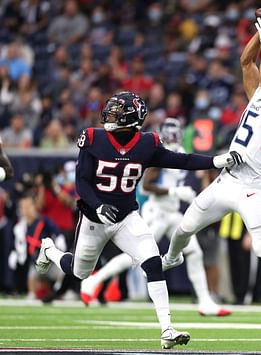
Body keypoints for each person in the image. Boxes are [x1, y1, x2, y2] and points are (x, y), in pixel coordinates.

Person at [35, 91, 242, 349]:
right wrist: (98, 207)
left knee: (153, 263)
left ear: (131, 118)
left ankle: (167, 328)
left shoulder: (147, 144)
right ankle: (49, 250)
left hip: (127, 218)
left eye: (116, 112)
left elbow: (182, 160)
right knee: (80, 271)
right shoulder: (93, 138)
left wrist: (216, 161)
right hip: (93, 218)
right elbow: (82, 181)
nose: (109, 116)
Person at [162, 16, 261, 340]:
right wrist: (260, 36)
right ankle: (172, 258)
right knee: (184, 227)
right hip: (227, 179)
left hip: (251, 188)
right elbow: (246, 61)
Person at [80, 118, 231, 317]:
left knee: (195, 252)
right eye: (171, 133)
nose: (174, 137)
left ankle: (204, 301)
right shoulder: (158, 153)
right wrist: (174, 192)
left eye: (176, 133)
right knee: (136, 256)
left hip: (172, 213)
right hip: (157, 211)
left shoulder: (179, 152)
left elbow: (187, 162)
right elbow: (146, 186)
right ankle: (93, 281)